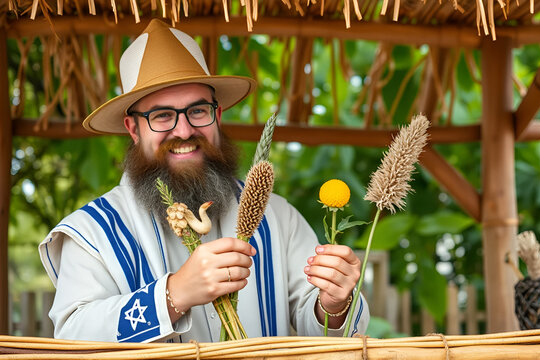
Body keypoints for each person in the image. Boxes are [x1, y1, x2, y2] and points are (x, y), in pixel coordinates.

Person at [38, 18, 369, 343]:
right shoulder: (90, 233)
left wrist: (334, 304)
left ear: (217, 115)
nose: (183, 131)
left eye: (197, 111)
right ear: (133, 129)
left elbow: (322, 322)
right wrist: (174, 294)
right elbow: (73, 336)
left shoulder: (276, 216)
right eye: (162, 116)